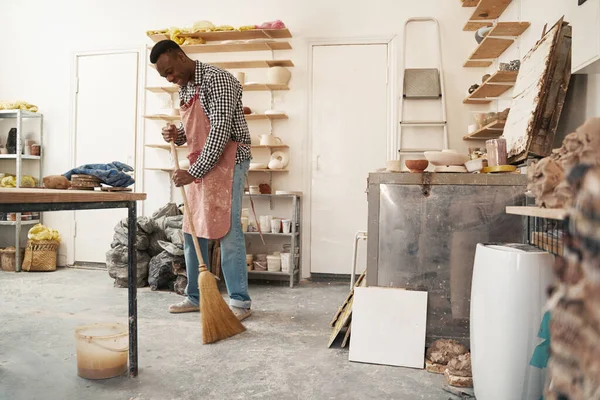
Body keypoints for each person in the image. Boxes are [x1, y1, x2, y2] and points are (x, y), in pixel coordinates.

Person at [150, 40, 252, 321]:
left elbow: (219, 131)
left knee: (226, 231)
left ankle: (240, 302)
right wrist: (177, 134)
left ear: (180, 56)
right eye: (164, 77)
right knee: (191, 229)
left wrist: (193, 172)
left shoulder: (218, 79)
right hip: (203, 162)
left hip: (228, 160)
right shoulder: (186, 85)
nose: (171, 79)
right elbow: (195, 127)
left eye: (171, 71)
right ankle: (196, 296)